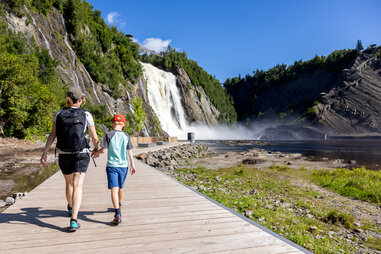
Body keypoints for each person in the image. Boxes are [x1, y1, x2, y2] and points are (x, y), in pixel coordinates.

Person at [40, 87, 99, 232]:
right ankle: (74, 220)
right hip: (81, 153)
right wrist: (96, 149)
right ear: (80, 100)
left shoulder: (59, 113)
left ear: (68, 99)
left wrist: (45, 152)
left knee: (69, 184)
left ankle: (70, 206)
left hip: (64, 153)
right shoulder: (86, 114)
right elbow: (94, 136)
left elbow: (53, 134)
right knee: (78, 185)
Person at [91, 114, 136, 225]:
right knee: (121, 187)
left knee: (114, 189)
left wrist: (95, 152)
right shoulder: (126, 136)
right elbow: (130, 151)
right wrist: (133, 165)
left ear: (112, 123)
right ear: (123, 125)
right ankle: (119, 204)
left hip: (112, 166)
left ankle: (117, 213)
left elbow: (103, 151)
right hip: (124, 166)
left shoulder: (108, 135)